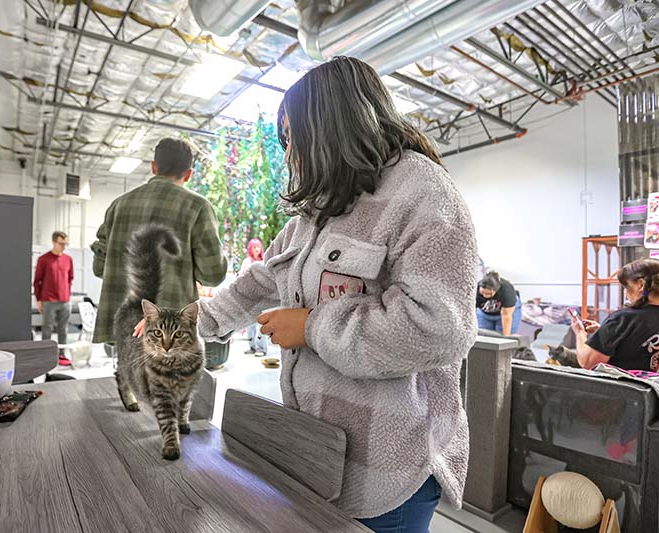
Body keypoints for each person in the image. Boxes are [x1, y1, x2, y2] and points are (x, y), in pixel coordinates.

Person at [138, 57, 477, 532]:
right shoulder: (320, 208)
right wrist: (188, 322)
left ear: (333, 126)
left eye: (294, 138)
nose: (291, 153)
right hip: (319, 454)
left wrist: (312, 328)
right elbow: (258, 280)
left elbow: (438, 329)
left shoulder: (421, 193)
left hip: (387, 470)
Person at [92, 138, 228, 345]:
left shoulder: (118, 206)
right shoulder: (197, 207)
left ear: (153, 167)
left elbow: (99, 268)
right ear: (189, 174)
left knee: (129, 377)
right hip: (170, 332)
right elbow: (213, 275)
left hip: (121, 325)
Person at [572, 258, 659, 371]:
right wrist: (604, 332)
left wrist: (580, 332)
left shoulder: (622, 319)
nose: (625, 292)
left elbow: (588, 362)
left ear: (640, 285)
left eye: (626, 286)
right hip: (649, 386)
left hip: (618, 387)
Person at [34, 230, 74, 366]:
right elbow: (37, 280)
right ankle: (46, 355)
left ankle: (61, 355)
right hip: (48, 300)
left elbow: (70, 278)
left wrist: (67, 295)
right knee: (47, 329)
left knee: (63, 329)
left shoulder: (68, 259)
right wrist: (39, 300)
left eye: (65, 243)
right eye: (61, 243)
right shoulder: (44, 259)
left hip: (64, 301)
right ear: (53, 242)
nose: (63, 246)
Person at [240, 238, 269, 356]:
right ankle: (252, 347)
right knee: (249, 323)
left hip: (263, 296)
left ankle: (261, 348)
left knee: (261, 322)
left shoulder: (265, 261)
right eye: (254, 247)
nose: (257, 249)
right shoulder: (247, 262)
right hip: (249, 296)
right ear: (250, 249)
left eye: (258, 247)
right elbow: (241, 277)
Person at [476, 271, 522, 336]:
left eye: (488, 293)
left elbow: (506, 315)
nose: (485, 295)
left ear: (496, 290)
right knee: (484, 337)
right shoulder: (474, 290)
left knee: (506, 337)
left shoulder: (506, 290)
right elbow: (469, 311)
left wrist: (506, 338)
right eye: (482, 292)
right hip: (484, 313)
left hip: (507, 313)